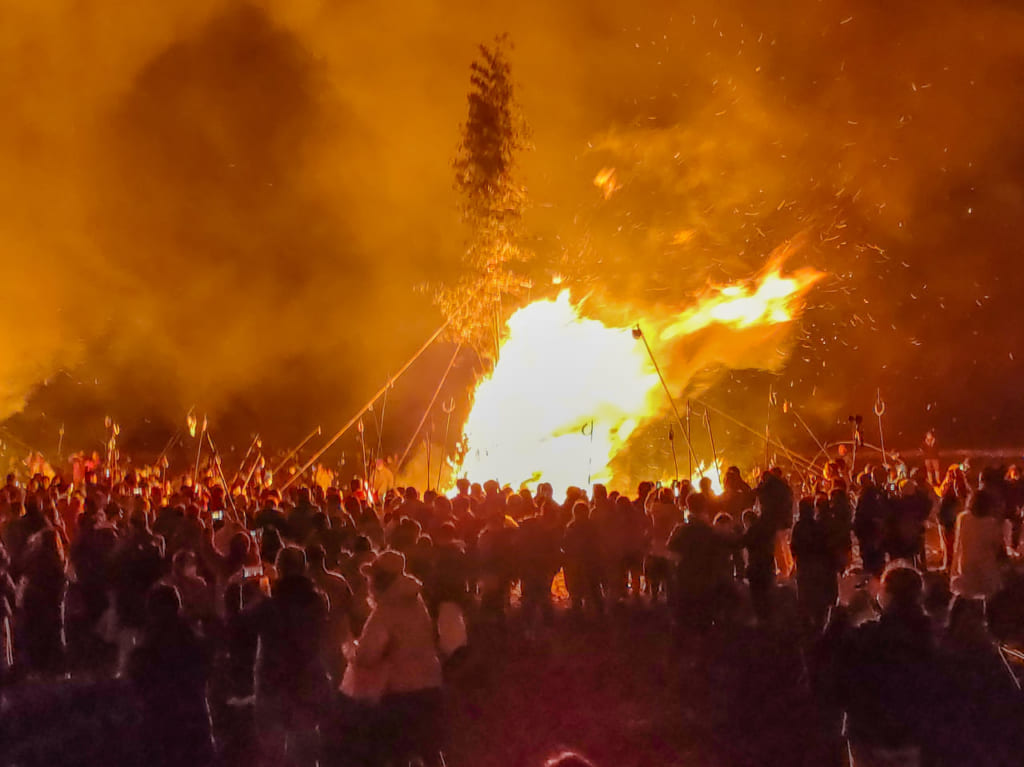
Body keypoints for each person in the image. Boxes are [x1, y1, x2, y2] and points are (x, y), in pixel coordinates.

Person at [817, 565, 936, 767]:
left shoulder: (870, 637)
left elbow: (825, 655)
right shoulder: (931, 637)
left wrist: (842, 607)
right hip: (913, 737)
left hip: (870, 736)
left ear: (885, 596)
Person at [352, 550, 444, 767]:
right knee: (430, 751)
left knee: (397, 754)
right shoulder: (416, 601)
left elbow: (367, 656)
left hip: (401, 692)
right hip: (430, 684)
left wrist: (352, 650)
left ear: (380, 580)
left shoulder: (385, 611)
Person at [245, 546, 330, 767]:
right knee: (305, 746)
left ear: (279, 569)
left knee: (272, 751)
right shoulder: (318, 602)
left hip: (273, 682)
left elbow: (241, 627)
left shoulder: (270, 605)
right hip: (307, 680)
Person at [129, 584, 214, 767]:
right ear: (177, 606)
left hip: (160, 727)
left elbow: (135, 684)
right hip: (193, 722)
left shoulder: (145, 649)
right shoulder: (194, 640)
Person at [951, 489, 1005, 600]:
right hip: (985, 570)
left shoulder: (962, 518)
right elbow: (996, 547)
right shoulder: (991, 523)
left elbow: (958, 545)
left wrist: (954, 568)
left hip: (965, 568)